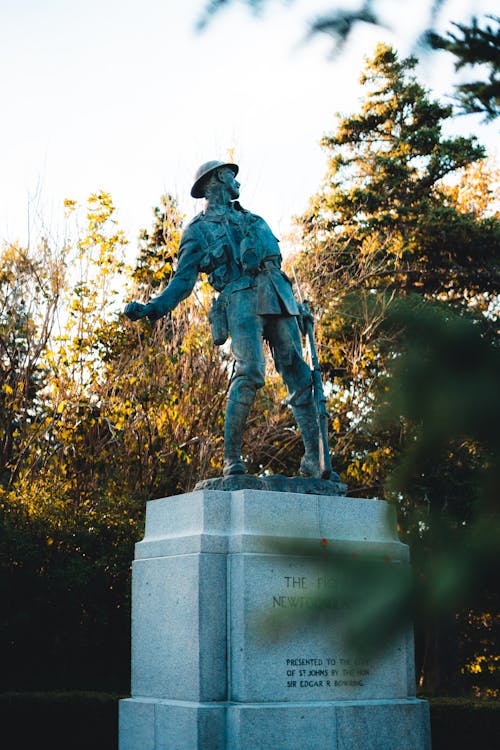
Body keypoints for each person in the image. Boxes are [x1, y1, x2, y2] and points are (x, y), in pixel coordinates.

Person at [124, 160, 325, 477]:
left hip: (277, 294)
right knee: (250, 371)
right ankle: (232, 458)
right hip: (238, 297)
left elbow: (276, 264)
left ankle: (316, 460)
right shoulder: (198, 231)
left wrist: (297, 307)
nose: (238, 182)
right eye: (232, 176)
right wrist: (153, 307)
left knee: (300, 374)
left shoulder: (254, 220)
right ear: (217, 178)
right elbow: (182, 282)